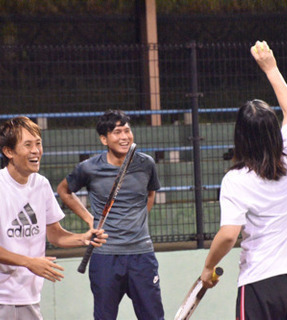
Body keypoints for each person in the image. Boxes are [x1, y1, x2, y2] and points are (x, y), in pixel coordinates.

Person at [200, 40, 287, 319]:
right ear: (274, 130)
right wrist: (271, 67)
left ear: (240, 136)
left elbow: (228, 235)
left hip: (261, 282)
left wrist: (207, 267)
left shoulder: (236, 180)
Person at [57, 110, 164, 320]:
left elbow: (149, 195)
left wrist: (136, 221)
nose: (124, 137)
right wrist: (90, 220)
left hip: (142, 255)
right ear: (104, 139)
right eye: (117, 132)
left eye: (127, 130)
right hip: (105, 257)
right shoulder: (89, 168)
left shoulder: (146, 164)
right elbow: (63, 190)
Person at [0, 116, 107, 320]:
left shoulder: (41, 184)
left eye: (38, 144)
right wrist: (29, 262)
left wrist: (82, 238)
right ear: (9, 151)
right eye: (28, 145)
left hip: (29, 297)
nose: (36, 151)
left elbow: (55, 234)